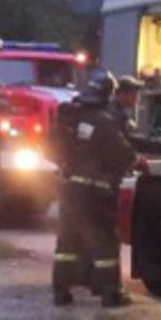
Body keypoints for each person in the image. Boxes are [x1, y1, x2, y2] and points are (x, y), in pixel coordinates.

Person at [50, 74, 140, 307]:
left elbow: (50, 148)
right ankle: (111, 293)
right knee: (105, 242)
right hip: (94, 193)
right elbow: (124, 154)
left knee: (67, 241)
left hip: (68, 188)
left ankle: (61, 292)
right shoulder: (103, 121)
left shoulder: (69, 117)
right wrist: (137, 161)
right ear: (107, 94)